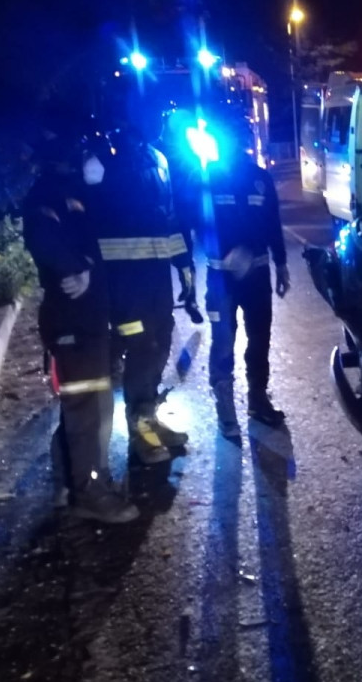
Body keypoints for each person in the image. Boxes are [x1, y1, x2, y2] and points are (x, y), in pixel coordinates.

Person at [22, 130, 138, 523]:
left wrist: (87, 267)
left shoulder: (78, 195)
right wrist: (80, 269)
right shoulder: (49, 197)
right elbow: (44, 241)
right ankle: (90, 492)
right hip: (73, 320)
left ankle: (69, 484)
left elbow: (94, 241)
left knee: (84, 406)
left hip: (86, 319)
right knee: (89, 408)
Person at [84, 126, 192, 463]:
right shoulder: (100, 160)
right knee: (141, 346)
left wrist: (184, 265)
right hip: (122, 282)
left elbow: (170, 215)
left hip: (155, 278)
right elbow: (87, 222)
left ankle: (149, 416)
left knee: (160, 341)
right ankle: (139, 430)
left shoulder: (157, 158)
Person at [184, 115, 290, 438]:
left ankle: (258, 399)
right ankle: (225, 405)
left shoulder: (260, 178)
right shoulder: (206, 178)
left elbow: (273, 224)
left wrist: (281, 264)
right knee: (223, 342)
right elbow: (195, 223)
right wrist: (221, 253)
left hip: (258, 276)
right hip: (222, 278)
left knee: (260, 340)